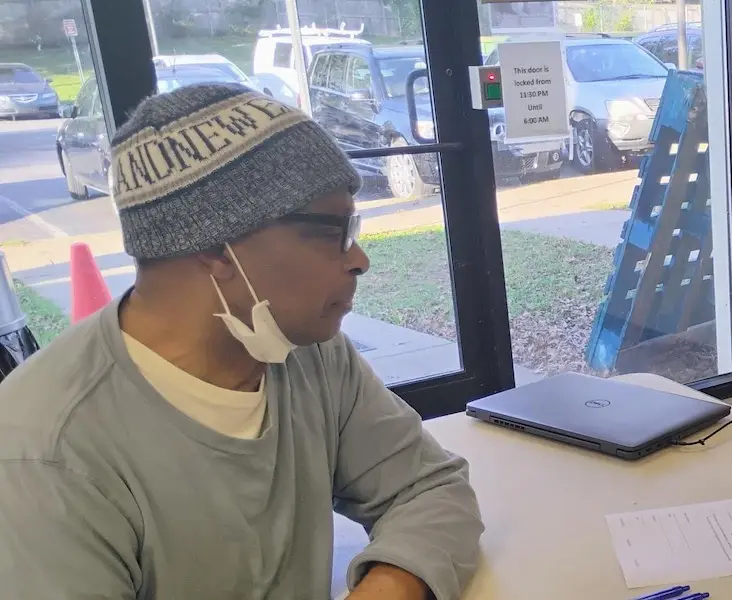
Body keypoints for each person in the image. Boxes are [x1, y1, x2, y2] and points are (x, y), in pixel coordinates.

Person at [0, 84, 483, 599]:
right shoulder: (45, 455)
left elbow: (429, 489)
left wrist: (389, 587)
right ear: (215, 246)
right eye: (332, 231)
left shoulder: (310, 354)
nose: (359, 259)